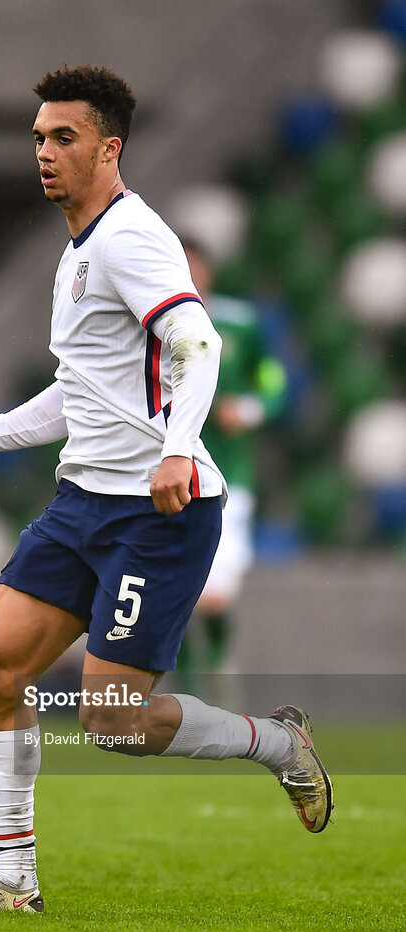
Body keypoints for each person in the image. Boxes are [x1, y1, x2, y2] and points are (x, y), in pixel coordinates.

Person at [0, 65, 333, 915]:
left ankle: (276, 743)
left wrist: (179, 450)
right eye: (38, 137)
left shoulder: (130, 237)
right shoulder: (78, 249)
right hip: (83, 502)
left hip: (157, 513)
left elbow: (199, 341)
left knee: (112, 720)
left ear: (108, 149)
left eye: (63, 137)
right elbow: (77, 395)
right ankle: (12, 883)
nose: (43, 151)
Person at [178, 240, 287, 682]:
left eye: (194, 265)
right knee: (176, 590)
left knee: (216, 596)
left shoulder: (240, 323)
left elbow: (272, 380)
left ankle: (220, 662)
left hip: (229, 480)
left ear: (209, 271)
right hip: (171, 475)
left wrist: (246, 410)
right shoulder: (151, 325)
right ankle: (185, 688)